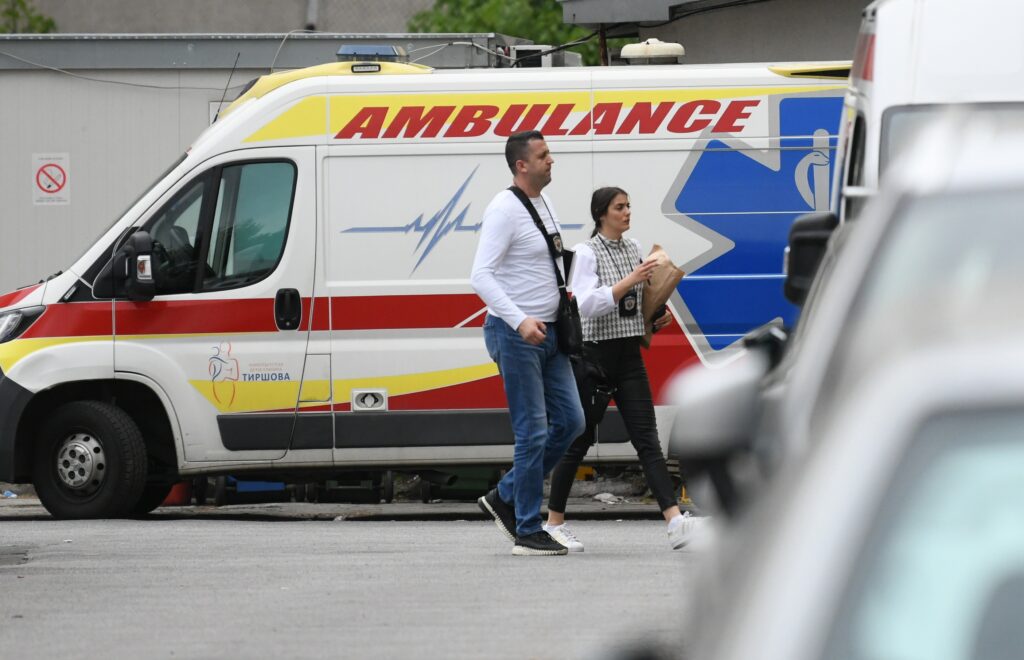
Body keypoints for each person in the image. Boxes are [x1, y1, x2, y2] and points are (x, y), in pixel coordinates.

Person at [544, 187, 706, 552]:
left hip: (629, 355)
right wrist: (629, 282)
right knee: (579, 440)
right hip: (595, 357)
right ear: (602, 214)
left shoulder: (634, 248)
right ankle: (554, 521)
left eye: (629, 205)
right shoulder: (587, 252)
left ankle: (675, 522)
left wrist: (654, 316)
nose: (627, 212)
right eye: (620, 207)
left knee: (647, 440)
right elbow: (586, 304)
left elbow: (633, 305)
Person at [470, 130, 586, 556]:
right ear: (522, 165)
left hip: (552, 331)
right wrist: (519, 322)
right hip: (518, 334)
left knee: (572, 422)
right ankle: (526, 528)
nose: (550, 160)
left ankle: (505, 494)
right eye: (543, 155)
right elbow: (480, 275)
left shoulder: (543, 202)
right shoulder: (504, 209)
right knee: (532, 431)